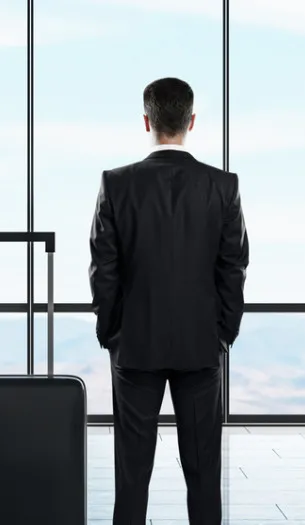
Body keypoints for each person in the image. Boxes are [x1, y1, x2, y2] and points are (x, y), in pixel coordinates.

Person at [90, 77, 249, 525]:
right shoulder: (222, 186)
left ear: (147, 121)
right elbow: (234, 267)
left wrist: (113, 334)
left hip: (136, 346)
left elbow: (104, 269)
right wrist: (223, 334)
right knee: (203, 475)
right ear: (191, 121)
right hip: (201, 347)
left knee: (131, 476)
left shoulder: (116, 184)